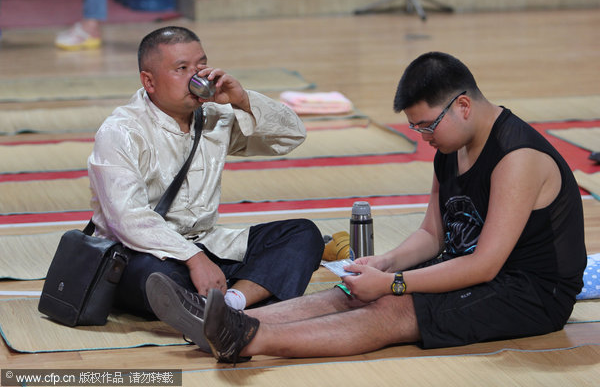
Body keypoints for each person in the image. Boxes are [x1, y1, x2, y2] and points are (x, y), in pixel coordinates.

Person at [157, 51, 587, 364]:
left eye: (428, 126)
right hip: (474, 270)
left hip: (529, 294)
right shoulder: (449, 147)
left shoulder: (517, 159)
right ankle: (232, 318)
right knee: (352, 290)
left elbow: (485, 265)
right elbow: (433, 236)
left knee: (392, 308)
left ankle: (247, 340)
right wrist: (381, 265)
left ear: (463, 106)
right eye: (415, 128)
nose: (423, 137)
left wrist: (394, 284)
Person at [87, 26, 324, 351]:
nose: (196, 76)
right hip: (139, 253)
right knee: (155, 278)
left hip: (206, 245)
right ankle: (242, 303)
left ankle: (229, 306)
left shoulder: (215, 117)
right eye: (181, 68)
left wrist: (243, 100)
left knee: (303, 234)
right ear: (149, 81)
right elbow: (128, 220)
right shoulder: (121, 132)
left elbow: (291, 136)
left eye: (200, 65)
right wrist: (194, 259)